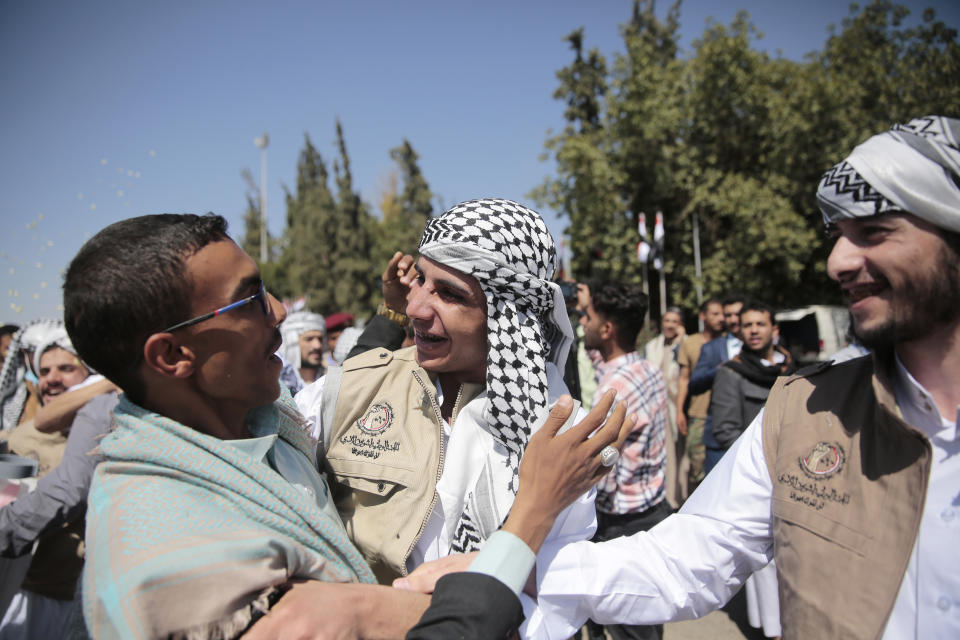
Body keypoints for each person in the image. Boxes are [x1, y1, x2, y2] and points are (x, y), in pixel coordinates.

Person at [432, 115, 960, 639]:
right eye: (838, 235)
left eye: (873, 233)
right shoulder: (805, 411)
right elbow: (691, 556)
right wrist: (504, 570)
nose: (837, 261)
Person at [64, 212, 631, 640]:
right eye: (249, 300)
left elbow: (563, 588)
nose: (281, 311)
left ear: (511, 318)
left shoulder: (266, 425)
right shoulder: (171, 551)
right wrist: (530, 514)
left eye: (451, 293)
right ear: (170, 357)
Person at [295, 198, 601, 638]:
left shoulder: (558, 430)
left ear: (506, 315)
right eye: (420, 279)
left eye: (450, 294)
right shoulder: (349, 391)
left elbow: (555, 593)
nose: (416, 307)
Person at [579, 282, 669, 640]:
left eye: (587, 316)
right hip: (652, 510)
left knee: (630, 627)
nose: (581, 321)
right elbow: (598, 358)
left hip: (621, 524)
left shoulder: (612, 391)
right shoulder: (646, 369)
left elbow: (604, 471)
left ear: (607, 329)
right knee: (646, 619)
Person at [707, 300, 795, 640]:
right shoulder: (731, 372)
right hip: (760, 479)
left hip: (793, 475)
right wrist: (764, 462)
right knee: (766, 563)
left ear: (774, 329)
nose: (754, 330)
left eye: (760, 324)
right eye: (747, 325)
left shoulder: (791, 366)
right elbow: (726, 430)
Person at [691, 293, 745, 474]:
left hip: (752, 433)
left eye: (737, 314)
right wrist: (720, 369)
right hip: (718, 438)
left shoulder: (761, 347)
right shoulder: (711, 348)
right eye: (727, 315)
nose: (732, 319)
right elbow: (694, 384)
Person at [674, 298, 723, 494]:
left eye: (722, 314)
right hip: (698, 414)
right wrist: (680, 411)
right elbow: (684, 379)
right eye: (715, 314)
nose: (720, 318)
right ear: (703, 316)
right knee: (697, 467)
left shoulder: (730, 343)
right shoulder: (691, 343)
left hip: (725, 414)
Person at [644, 307, 685, 505]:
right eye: (667, 320)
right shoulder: (652, 346)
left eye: (675, 321)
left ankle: (680, 497)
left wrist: (680, 344)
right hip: (656, 408)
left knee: (680, 455)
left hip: (677, 408)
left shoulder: (685, 345)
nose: (670, 325)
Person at [278, 310, 326, 394]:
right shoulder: (279, 383)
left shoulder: (330, 378)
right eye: (309, 339)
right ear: (292, 341)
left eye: (320, 339)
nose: (317, 345)